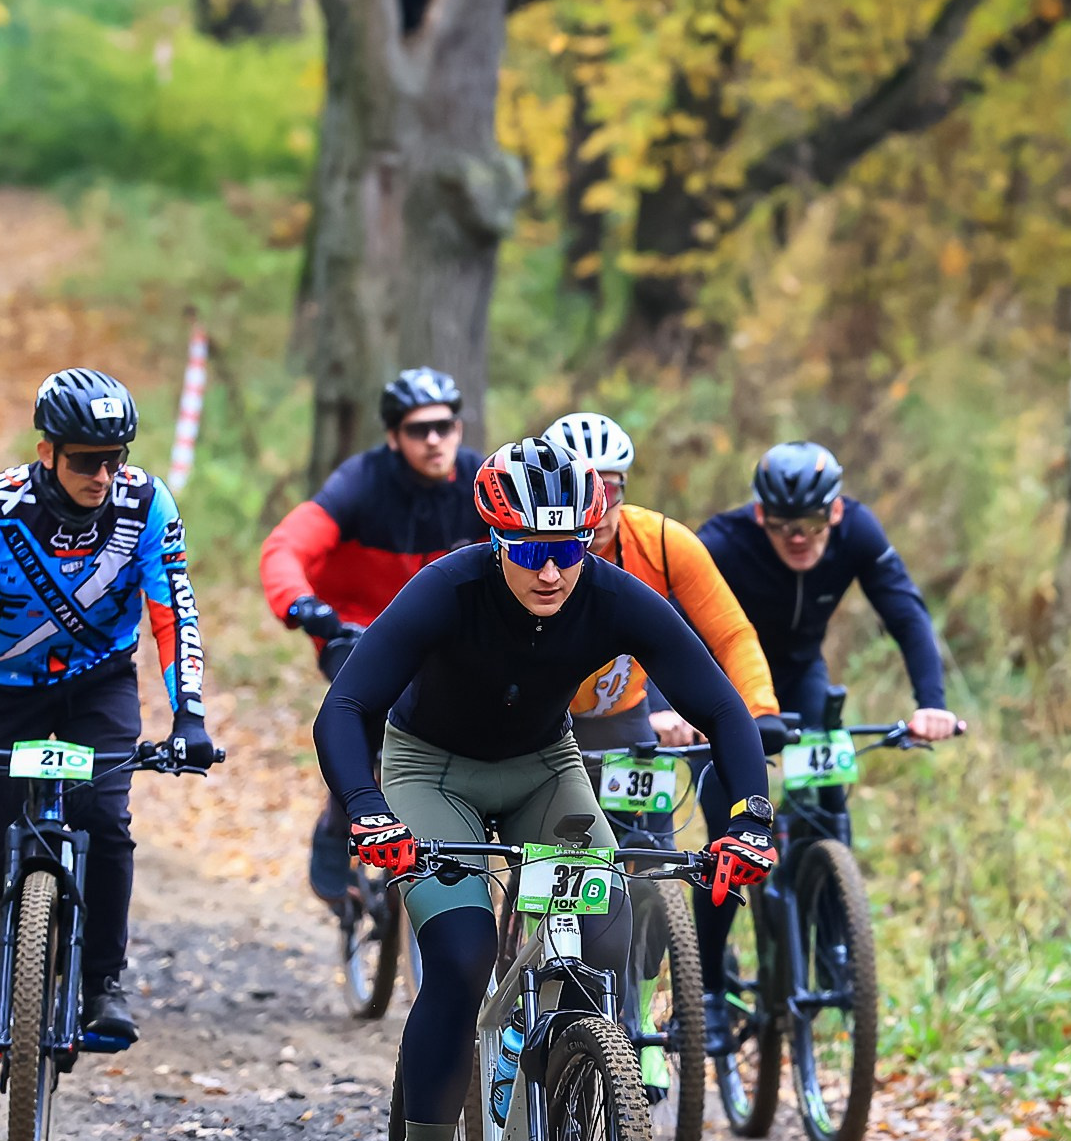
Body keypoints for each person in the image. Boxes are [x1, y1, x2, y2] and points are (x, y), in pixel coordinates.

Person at [313, 438, 777, 1141]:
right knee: (460, 958)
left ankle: (560, 1129)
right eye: (529, 549)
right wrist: (369, 809)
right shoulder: (448, 589)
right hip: (431, 771)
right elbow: (344, 706)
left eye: (567, 549)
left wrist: (750, 818)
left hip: (544, 769)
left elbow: (719, 701)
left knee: (602, 936)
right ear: (495, 538)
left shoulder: (610, 595)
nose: (551, 571)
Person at [0, 369, 216, 1118]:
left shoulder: (146, 505)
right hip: (2, 694)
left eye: (115, 458)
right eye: (86, 460)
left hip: (99, 685)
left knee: (106, 816)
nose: (104, 474)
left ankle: (103, 981)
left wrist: (189, 714)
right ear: (46, 451)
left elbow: (174, 615)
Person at [694, 440, 960, 986]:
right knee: (729, 826)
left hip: (801, 676)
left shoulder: (858, 531)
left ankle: (834, 946)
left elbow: (905, 612)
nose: (799, 538)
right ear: (760, 514)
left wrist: (931, 702)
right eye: (784, 525)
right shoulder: (721, 541)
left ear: (836, 512)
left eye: (813, 523)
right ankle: (711, 979)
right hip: (730, 689)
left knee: (828, 794)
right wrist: (668, 709)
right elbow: (664, 624)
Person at [260, 366, 485, 909]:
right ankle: (340, 822)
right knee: (363, 709)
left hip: (442, 635)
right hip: (357, 629)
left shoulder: (481, 483)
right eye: (417, 430)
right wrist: (302, 604)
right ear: (393, 437)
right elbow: (285, 548)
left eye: (445, 426)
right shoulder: (361, 483)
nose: (434, 440)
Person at [540, 411, 782, 760]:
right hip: (543, 716)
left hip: (624, 714)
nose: (598, 508)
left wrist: (760, 709)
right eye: (582, 492)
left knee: (651, 815)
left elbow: (731, 634)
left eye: (609, 489)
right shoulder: (525, 551)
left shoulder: (663, 542)